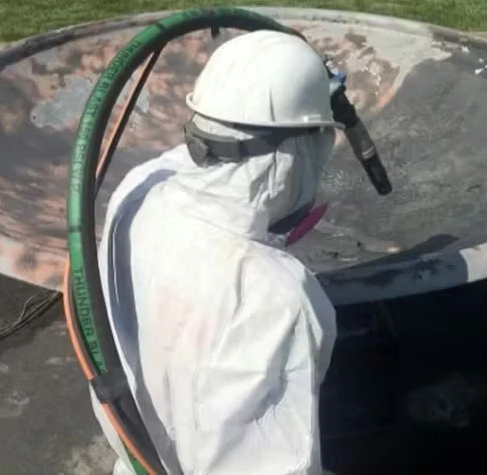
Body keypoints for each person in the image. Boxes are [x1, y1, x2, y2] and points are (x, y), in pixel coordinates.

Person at [90, 30, 342, 475]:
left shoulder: (137, 189)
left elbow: (219, 154)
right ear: (300, 148)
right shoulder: (271, 297)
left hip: (138, 459)